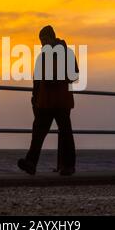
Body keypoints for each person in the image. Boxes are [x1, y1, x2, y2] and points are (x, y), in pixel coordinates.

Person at [18, 25, 78, 176]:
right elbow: (37, 80)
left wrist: (56, 78)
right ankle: (31, 163)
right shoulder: (48, 55)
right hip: (47, 101)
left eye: (44, 39)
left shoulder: (66, 54)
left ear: (51, 37)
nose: (42, 43)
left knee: (64, 133)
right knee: (40, 132)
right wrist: (34, 97)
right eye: (41, 40)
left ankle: (68, 166)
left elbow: (74, 74)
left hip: (58, 101)